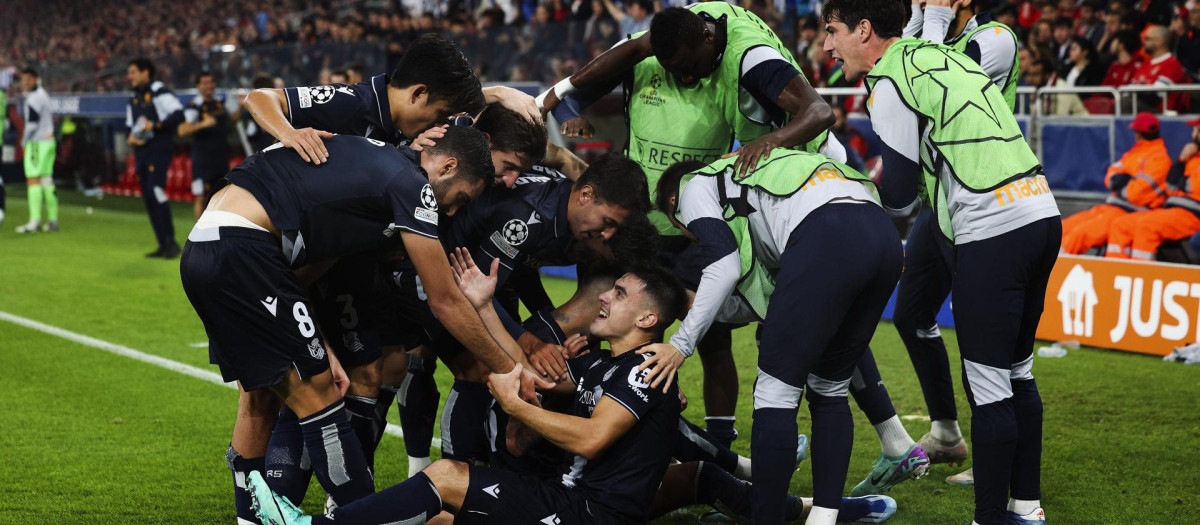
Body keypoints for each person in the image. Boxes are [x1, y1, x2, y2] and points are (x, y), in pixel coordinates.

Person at [248, 263, 897, 525]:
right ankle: (826, 509)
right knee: (694, 475)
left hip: (588, 511)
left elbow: (591, 435)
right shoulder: (605, 360)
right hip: (599, 495)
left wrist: (519, 404)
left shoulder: (644, 368)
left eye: (618, 296)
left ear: (647, 320)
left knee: (446, 478)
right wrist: (485, 309)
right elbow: (532, 367)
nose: (603, 298)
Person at [540, 0, 847, 450]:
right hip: (634, 227)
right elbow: (581, 89)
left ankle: (719, 442)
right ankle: (617, 431)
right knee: (622, 335)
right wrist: (564, 106)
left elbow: (813, 112)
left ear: (706, 41)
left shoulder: (732, 70)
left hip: (695, 229)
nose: (685, 76)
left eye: (689, 67)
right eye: (674, 67)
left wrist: (765, 142)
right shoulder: (646, 57)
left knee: (714, 340)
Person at [822, 1, 1062, 524]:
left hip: (989, 221)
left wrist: (844, 192)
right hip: (1042, 209)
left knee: (990, 384)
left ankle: (990, 517)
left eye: (833, 31)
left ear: (864, 30)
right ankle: (1026, 509)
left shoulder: (892, 79)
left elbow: (903, 194)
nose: (825, 45)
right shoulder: (942, 58)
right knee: (1017, 373)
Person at [645, 148, 901, 525]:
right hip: (883, 237)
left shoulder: (694, 186)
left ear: (673, 201)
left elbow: (725, 269)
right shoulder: (756, 192)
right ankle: (823, 518)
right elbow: (771, 302)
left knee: (775, 392)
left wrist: (680, 345)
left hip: (827, 233)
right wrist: (693, 303)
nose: (691, 236)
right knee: (830, 390)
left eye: (679, 224)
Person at [243, 34, 537, 163]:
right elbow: (259, 97)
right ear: (418, 93)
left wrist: (495, 93)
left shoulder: (400, 126)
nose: (438, 125)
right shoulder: (352, 102)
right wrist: (290, 134)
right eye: (439, 114)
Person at [1061, 112, 1171, 255]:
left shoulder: (1160, 159)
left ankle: (1054, 272)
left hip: (1130, 212)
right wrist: (1128, 181)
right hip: (1111, 206)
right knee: (1063, 228)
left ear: (1138, 133)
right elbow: (1111, 175)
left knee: (1079, 235)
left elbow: (1136, 194)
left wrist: (1122, 182)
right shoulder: (1134, 153)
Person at [1105, 117, 1200, 260]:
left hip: (1193, 215)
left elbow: (1193, 187)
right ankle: (1115, 274)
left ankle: (1140, 276)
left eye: (1196, 130)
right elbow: (1171, 186)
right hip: (1173, 211)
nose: (1193, 134)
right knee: (1121, 224)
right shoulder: (1191, 157)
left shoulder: (1160, 157)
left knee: (1146, 226)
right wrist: (1181, 160)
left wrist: (1183, 183)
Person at [126, 58, 184, 258]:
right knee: (149, 196)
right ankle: (163, 244)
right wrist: (132, 138)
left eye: (133, 72)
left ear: (145, 73)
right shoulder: (133, 97)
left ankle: (171, 242)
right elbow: (130, 126)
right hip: (141, 153)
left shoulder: (159, 90)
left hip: (158, 150)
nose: (130, 76)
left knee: (156, 190)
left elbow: (178, 114)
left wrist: (155, 126)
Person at [178, 72, 239, 219]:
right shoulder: (194, 106)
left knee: (221, 197)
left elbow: (233, 118)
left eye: (211, 82)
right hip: (202, 160)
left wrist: (241, 106)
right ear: (198, 86)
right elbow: (182, 130)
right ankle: (198, 238)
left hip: (220, 158)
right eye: (204, 83)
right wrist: (202, 124)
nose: (208, 86)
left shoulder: (219, 103)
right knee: (200, 197)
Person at [16, 67, 57, 234]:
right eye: (23, 79)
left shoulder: (34, 98)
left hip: (38, 143)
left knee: (33, 179)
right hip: (49, 141)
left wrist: (24, 140)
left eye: (28, 79)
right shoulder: (43, 94)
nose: (25, 83)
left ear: (36, 79)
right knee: (46, 180)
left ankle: (35, 221)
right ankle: (53, 220)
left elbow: (32, 124)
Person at [1131, 25, 1191, 112]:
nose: (1144, 42)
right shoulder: (1145, 64)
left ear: (1159, 42)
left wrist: (1138, 90)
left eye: (1148, 39)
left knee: (1125, 103)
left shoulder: (1172, 64)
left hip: (1160, 111)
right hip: (1140, 106)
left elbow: (1155, 95)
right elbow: (1129, 89)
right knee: (1118, 102)